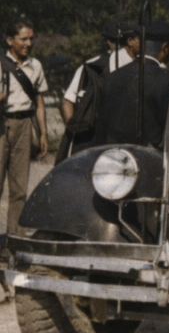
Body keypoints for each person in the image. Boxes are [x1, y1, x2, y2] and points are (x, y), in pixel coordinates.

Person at [94, 21, 169, 149]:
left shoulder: (113, 77)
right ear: (165, 47)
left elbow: (101, 126)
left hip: (112, 156)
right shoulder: (167, 79)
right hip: (147, 158)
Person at [58, 21, 139, 159]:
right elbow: (67, 102)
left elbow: (67, 102)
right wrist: (76, 133)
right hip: (97, 141)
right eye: (118, 41)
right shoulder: (91, 68)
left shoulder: (90, 66)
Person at [0, 20, 48, 241]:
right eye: (23, 39)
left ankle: (14, 243)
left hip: (24, 125)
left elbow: (39, 100)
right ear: (10, 40)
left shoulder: (35, 66)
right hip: (2, 123)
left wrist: (43, 133)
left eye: (31, 38)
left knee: (20, 188)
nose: (29, 43)